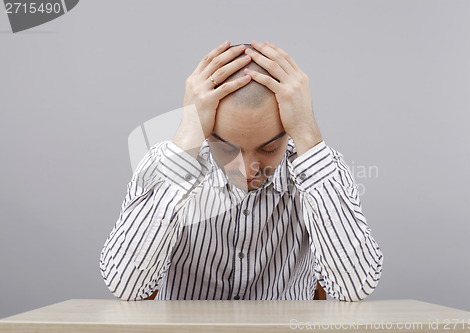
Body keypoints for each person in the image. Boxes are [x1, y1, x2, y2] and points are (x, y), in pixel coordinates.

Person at [99, 40, 383, 301]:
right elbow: (126, 286)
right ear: (208, 132)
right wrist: (187, 137)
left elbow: (354, 288)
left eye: (268, 148)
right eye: (227, 148)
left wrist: (308, 133)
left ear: (289, 132)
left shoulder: (320, 167)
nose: (248, 170)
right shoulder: (164, 166)